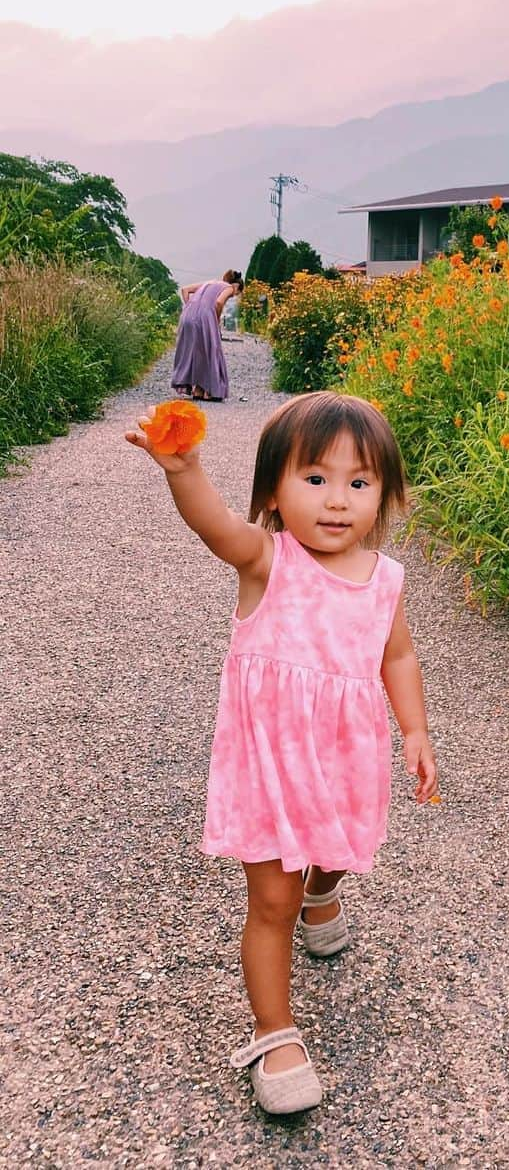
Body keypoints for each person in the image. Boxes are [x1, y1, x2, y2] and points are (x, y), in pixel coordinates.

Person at [124, 391, 438, 1115]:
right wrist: (182, 473)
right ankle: (276, 1032)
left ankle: (323, 894)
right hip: (267, 763)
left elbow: (399, 657)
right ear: (272, 491)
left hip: (342, 761)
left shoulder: (385, 581)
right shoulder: (267, 560)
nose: (337, 501)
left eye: (359, 483)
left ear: (385, 495)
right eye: (315, 479)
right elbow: (213, 526)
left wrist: (415, 730)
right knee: (271, 898)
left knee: (333, 856)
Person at [172, 270, 243, 401]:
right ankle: (211, 391)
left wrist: (190, 307)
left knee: (193, 351)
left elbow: (185, 290)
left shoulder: (209, 283)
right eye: (235, 295)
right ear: (237, 286)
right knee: (210, 351)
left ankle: (198, 390)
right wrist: (216, 318)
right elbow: (219, 302)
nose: (233, 296)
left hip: (187, 316)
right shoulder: (228, 288)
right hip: (205, 317)